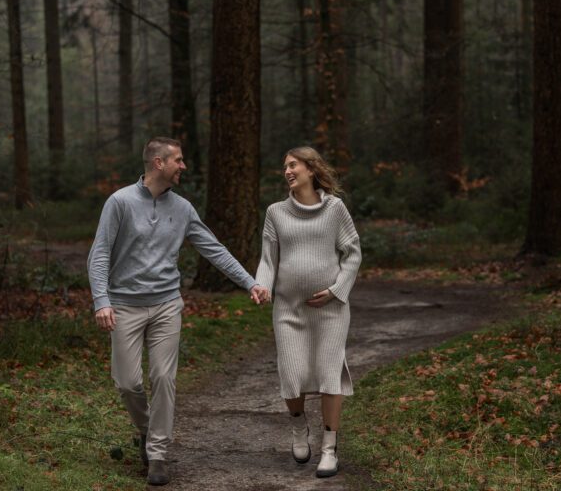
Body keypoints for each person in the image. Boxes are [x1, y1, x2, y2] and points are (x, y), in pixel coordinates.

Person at [87, 137, 268, 486]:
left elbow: (213, 249)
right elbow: (99, 254)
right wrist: (102, 300)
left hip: (167, 304)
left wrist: (250, 282)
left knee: (164, 378)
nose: (183, 166)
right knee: (127, 383)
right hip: (124, 305)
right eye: (178, 160)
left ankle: (157, 454)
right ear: (158, 162)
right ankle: (148, 429)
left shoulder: (183, 208)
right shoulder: (119, 202)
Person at [255, 146, 362, 478]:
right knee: (292, 373)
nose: (287, 171)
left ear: (311, 170)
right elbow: (268, 259)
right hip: (289, 308)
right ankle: (299, 425)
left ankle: (329, 448)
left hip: (330, 309)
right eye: (284, 167)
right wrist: (262, 285)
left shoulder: (335, 209)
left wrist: (335, 290)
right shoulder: (276, 212)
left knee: (330, 372)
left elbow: (353, 253)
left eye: (293, 165)